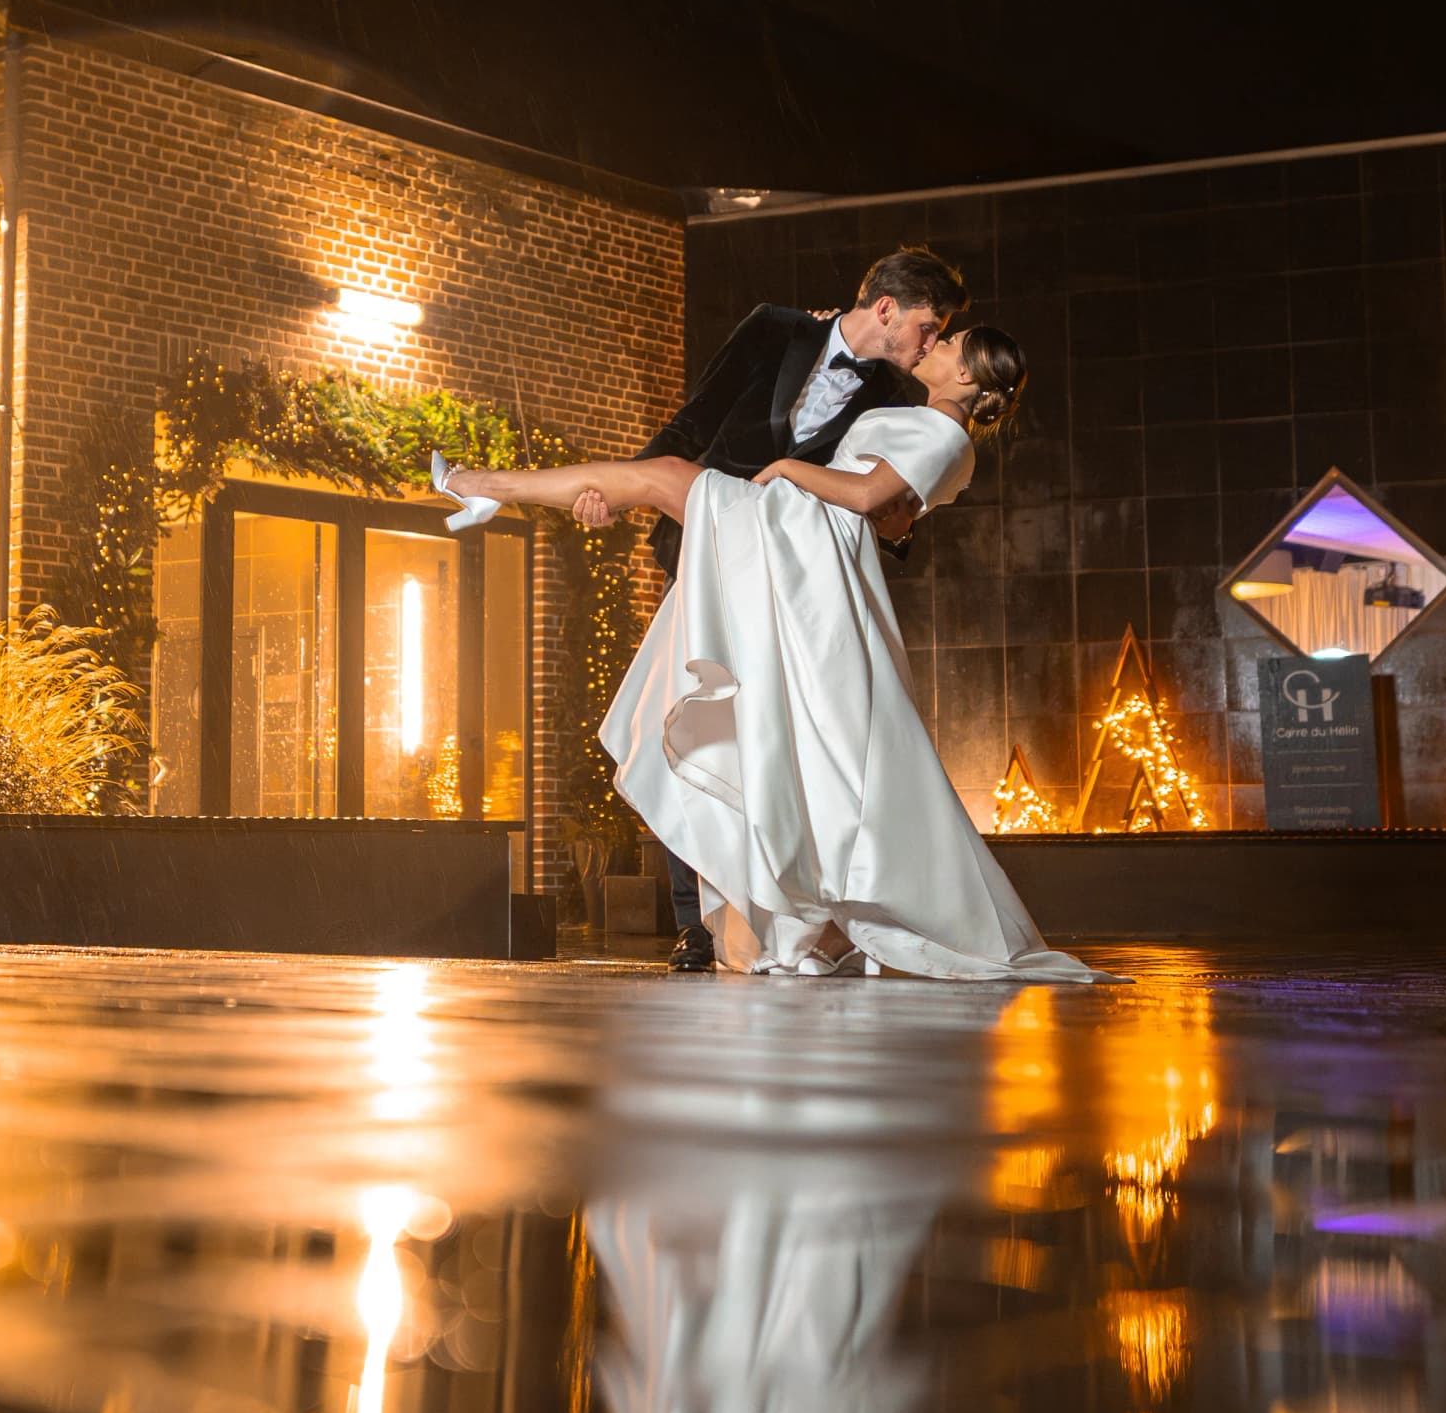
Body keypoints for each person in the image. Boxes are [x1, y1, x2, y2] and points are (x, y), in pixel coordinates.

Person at [436, 324, 1102, 984]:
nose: (938, 345)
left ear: (968, 377)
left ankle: (482, 488)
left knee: (665, 478)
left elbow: (869, 498)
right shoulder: (931, 428)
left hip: (799, 537)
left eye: (951, 344)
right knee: (665, 486)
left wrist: (786, 468)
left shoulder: (945, 433)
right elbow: (890, 512)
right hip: (801, 541)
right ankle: (485, 490)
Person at [602, 250, 963, 969]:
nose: (930, 346)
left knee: (757, 741)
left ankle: (767, 909)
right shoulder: (774, 329)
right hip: (707, 550)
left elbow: (883, 500)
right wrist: (618, 486)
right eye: (928, 327)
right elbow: (693, 420)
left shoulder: (898, 397)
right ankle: (694, 923)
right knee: (680, 720)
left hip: (787, 585)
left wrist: (898, 524)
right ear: (887, 307)